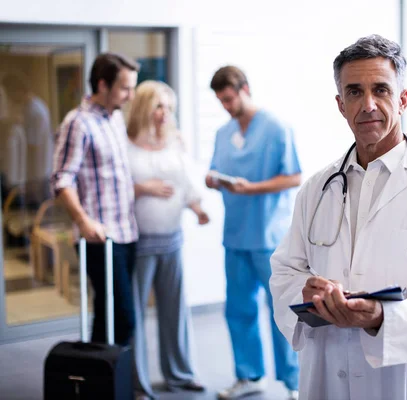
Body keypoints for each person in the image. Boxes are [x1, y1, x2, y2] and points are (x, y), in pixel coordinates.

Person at [269, 35, 407, 400]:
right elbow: (285, 271)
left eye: (381, 90)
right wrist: (303, 291)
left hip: (406, 384)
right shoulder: (317, 188)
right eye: (354, 92)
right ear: (340, 104)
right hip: (327, 377)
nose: (368, 105)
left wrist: (381, 317)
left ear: (403, 99)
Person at [205, 66, 301, 400]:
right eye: (220, 101)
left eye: (229, 98)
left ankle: (294, 383)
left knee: (282, 312)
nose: (226, 106)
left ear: (245, 88)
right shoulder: (223, 132)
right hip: (235, 236)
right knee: (238, 310)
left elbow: (294, 176)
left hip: (268, 238)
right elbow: (219, 170)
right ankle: (248, 375)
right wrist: (214, 180)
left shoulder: (276, 128)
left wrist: (255, 188)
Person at [127, 80, 209, 400]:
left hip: (172, 238)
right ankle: (138, 384)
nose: (164, 114)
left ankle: (180, 375)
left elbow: (186, 182)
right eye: (159, 106)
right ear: (144, 107)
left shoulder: (176, 141)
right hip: (138, 241)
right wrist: (145, 188)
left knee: (175, 312)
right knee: (134, 314)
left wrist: (198, 207)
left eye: (169, 108)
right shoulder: (126, 143)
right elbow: (115, 187)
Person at [51, 52, 140, 346]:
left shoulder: (114, 119)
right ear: (103, 85)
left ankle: (103, 382)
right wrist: (82, 221)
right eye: (125, 88)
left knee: (108, 315)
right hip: (99, 237)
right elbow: (62, 178)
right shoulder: (77, 123)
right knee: (124, 317)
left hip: (127, 232)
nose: (130, 95)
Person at [1, 72, 53, 203]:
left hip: (38, 175)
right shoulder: (30, 107)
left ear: (17, 90)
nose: (10, 98)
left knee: (36, 210)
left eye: (10, 93)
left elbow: (32, 147)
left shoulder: (34, 110)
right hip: (36, 174)